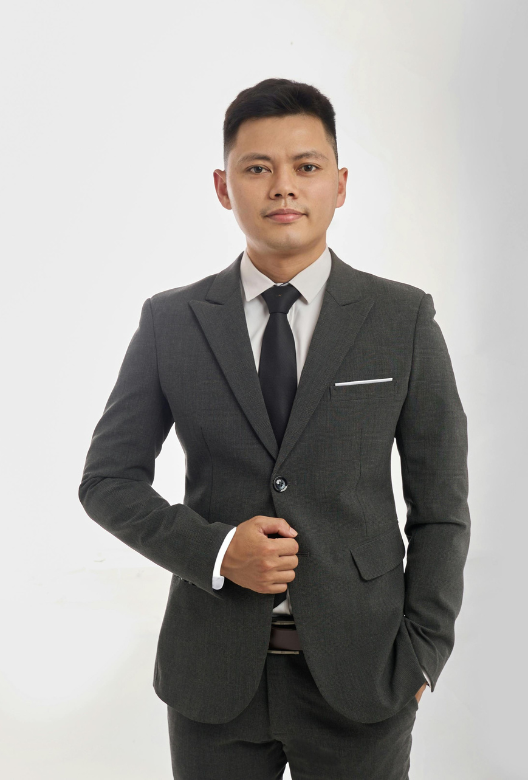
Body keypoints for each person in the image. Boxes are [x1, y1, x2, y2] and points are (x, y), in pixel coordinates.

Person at [78, 77, 470, 780]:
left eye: (306, 166)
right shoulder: (172, 322)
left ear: (339, 184)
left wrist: (424, 653)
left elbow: (441, 506)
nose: (283, 186)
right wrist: (216, 549)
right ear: (223, 187)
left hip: (365, 677)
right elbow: (107, 481)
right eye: (257, 167)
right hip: (212, 677)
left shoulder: (402, 319)